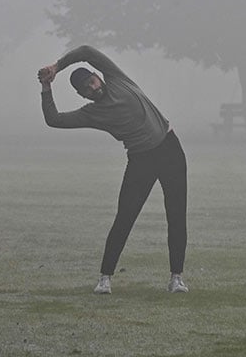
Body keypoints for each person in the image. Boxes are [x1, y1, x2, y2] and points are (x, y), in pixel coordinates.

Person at [37, 45, 188, 294]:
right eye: (87, 89)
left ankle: (176, 278)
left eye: (93, 81)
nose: (93, 88)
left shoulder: (117, 79)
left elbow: (86, 50)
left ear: (98, 76)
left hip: (170, 150)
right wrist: (46, 87)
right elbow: (53, 119)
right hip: (141, 160)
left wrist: (56, 67)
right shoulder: (92, 113)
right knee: (125, 217)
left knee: (176, 213)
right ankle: (105, 278)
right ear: (83, 95)